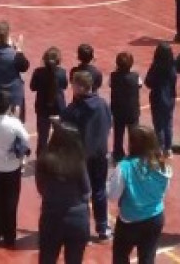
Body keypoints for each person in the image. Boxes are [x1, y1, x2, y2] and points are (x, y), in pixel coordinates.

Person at [61, 70, 113, 241]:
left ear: (79, 87)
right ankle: (103, 227)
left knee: (80, 194)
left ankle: (81, 229)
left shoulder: (72, 110)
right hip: (99, 154)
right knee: (99, 190)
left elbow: (65, 134)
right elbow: (108, 123)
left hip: (80, 157)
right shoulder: (102, 104)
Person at [109, 126, 172, 264]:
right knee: (147, 258)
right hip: (154, 218)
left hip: (129, 222)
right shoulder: (163, 166)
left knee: (120, 257)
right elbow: (164, 190)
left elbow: (113, 195)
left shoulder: (124, 167)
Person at [0, 90, 31, 248]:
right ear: (9, 107)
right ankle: (10, 236)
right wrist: (15, 119)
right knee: (10, 202)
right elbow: (26, 139)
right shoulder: (13, 123)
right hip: (11, 168)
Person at [36, 122, 92, 264]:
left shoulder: (43, 159)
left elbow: (41, 187)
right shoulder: (79, 161)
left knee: (47, 258)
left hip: (51, 216)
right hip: (77, 218)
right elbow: (86, 191)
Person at [31, 47, 69, 155]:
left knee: (42, 136)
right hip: (58, 107)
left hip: (42, 108)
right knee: (59, 134)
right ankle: (57, 159)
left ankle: (41, 160)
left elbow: (33, 87)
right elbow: (65, 86)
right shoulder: (62, 72)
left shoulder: (38, 72)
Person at [144, 43, 178, 154]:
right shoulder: (172, 67)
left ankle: (160, 147)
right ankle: (168, 148)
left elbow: (148, 82)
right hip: (170, 97)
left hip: (157, 97)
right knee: (168, 122)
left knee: (158, 125)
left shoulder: (155, 67)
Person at [109, 52, 141, 161]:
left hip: (118, 110)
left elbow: (110, 84)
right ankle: (134, 153)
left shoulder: (113, 76)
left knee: (118, 134)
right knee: (133, 133)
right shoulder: (135, 76)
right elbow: (140, 85)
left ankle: (118, 154)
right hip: (132, 110)